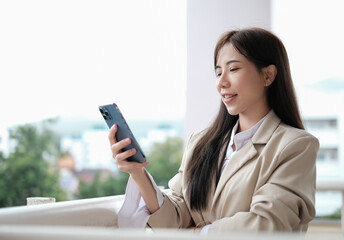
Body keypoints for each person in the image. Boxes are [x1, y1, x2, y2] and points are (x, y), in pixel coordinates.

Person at [108, 27, 319, 233]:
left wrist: (200, 233)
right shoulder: (200, 143)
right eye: (218, 72)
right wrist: (137, 172)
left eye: (233, 69)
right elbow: (175, 219)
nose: (221, 82)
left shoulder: (295, 146)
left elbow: (268, 223)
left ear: (268, 75)